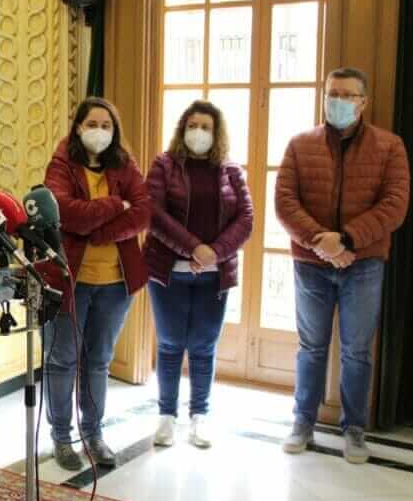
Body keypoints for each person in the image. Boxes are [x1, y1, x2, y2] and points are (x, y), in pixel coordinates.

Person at [275, 67, 410, 464]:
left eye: (348, 95)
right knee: (311, 347)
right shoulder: (300, 144)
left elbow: (394, 205)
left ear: (363, 102)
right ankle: (303, 421)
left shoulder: (390, 146)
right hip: (311, 262)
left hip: (364, 263)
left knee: (356, 350)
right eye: (333, 93)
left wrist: (347, 239)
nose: (339, 101)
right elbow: (285, 202)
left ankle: (354, 429)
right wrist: (323, 242)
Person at [42, 96, 151, 470]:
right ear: (78, 128)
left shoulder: (125, 164)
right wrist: (111, 207)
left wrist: (100, 233)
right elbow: (63, 213)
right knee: (62, 361)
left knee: (98, 361)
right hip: (70, 281)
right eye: (93, 124)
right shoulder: (61, 164)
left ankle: (93, 433)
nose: (100, 132)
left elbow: (143, 212)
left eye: (107, 125)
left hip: (115, 283)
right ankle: (61, 437)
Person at [144, 100, 254, 449]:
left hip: (213, 275)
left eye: (206, 127)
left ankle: (199, 417)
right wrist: (194, 248)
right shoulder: (163, 165)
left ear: (216, 132)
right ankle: (166, 417)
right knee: (171, 343)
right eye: (193, 125)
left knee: (204, 346)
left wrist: (215, 253)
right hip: (169, 271)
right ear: (182, 128)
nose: (199, 133)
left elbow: (246, 220)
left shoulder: (231, 171)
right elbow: (154, 214)